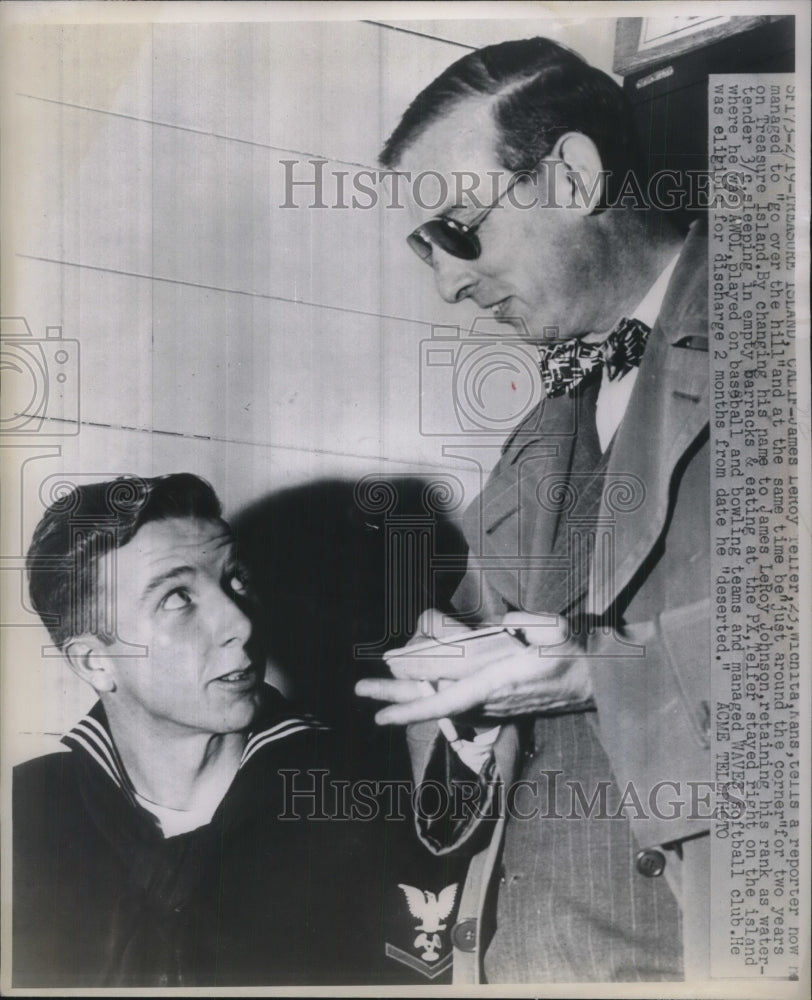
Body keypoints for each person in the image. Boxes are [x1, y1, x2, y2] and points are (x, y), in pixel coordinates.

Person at [357, 37, 712, 984]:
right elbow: (475, 752)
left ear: (572, 178)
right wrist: (460, 709)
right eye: (424, 246)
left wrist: (605, 670)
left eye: (461, 229)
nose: (448, 282)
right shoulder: (537, 437)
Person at [13, 473, 412, 988]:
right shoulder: (23, 815)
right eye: (177, 598)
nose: (241, 623)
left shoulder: (370, 795)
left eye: (237, 580)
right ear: (94, 663)